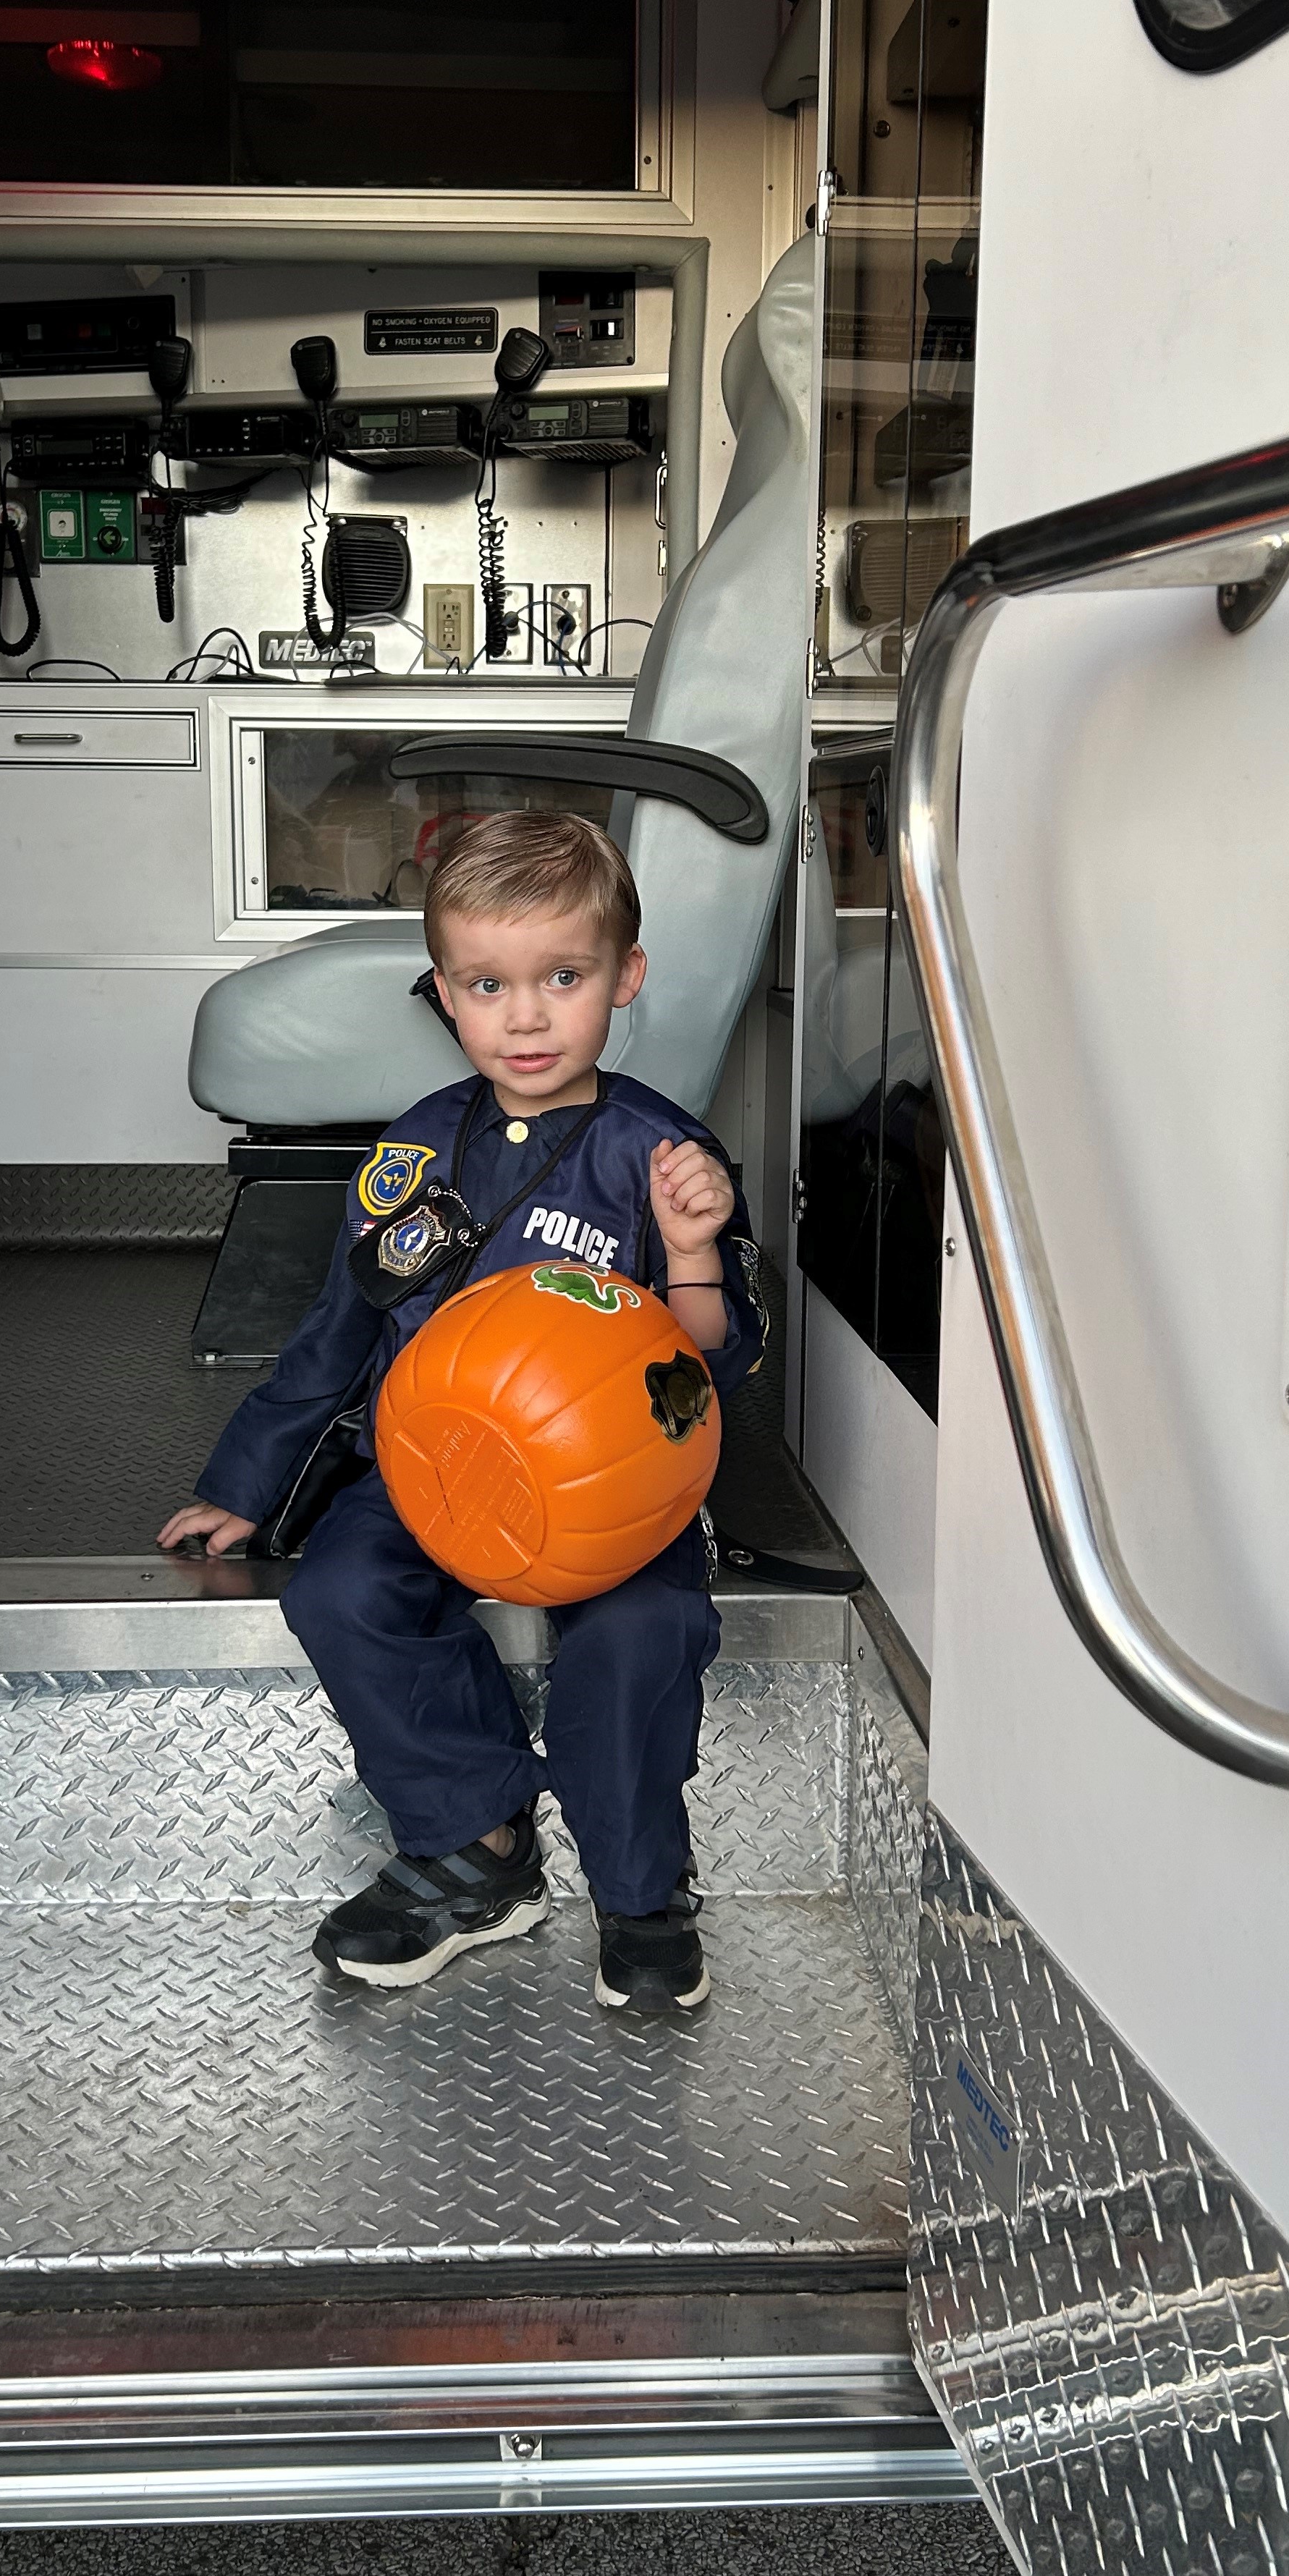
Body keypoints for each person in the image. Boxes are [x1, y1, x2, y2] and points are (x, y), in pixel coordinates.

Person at [159, 811, 765, 2014]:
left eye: (564, 979)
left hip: (611, 1494)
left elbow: (708, 1363)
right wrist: (243, 1485)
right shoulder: (415, 1153)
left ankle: (642, 1891)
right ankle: (478, 1846)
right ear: (446, 995)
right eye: (490, 985)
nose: (527, 1017)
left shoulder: (659, 1152)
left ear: (624, 979)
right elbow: (340, 1331)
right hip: (431, 1473)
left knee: (639, 1640)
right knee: (341, 1591)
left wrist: (692, 1249)